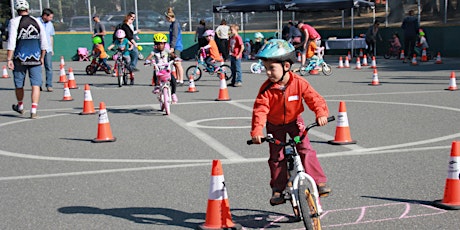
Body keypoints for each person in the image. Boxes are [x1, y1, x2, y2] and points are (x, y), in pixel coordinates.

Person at [250, 39, 331, 205]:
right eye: (266, 68)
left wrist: (321, 114)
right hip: (274, 125)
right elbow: (260, 111)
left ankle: (319, 182)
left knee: (305, 148)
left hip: (295, 123)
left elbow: (314, 99)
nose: (268, 73)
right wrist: (257, 132)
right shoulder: (266, 90)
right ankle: (278, 189)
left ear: (286, 66)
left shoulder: (299, 83)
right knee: (277, 157)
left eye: (272, 68)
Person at [7, 0, 48, 119]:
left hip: (20, 57)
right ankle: (33, 110)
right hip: (35, 57)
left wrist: (9, 59)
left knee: (19, 84)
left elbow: (11, 41)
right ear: (28, 9)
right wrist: (42, 57)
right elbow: (44, 42)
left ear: (17, 10)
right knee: (36, 84)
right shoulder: (37, 21)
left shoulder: (14, 22)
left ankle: (20, 106)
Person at [145, 33, 178, 103]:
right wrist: (147, 61)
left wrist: (176, 58)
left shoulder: (166, 50)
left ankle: (173, 94)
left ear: (164, 44)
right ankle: (157, 86)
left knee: (173, 80)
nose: (160, 46)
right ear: (155, 45)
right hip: (158, 69)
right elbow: (149, 56)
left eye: (162, 44)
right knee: (155, 73)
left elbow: (172, 55)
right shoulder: (154, 51)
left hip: (166, 69)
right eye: (158, 44)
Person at [165, 7, 184, 86]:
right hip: (173, 45)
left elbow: (174, 36)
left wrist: (172, 47)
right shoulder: (172, 25)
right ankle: (177, 79)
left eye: (167, 18)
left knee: (178, 63)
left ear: (170, 18)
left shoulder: (175, 25)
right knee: (175, 64)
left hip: (177, 46)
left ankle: (181, 80)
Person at [39, 8, 55, 92]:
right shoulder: (36, 22)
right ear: (45, 16)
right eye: (50, 17)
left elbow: (51, 36)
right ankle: (38, 85)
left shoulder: (50, 24)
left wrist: (51, 49)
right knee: (38, 67)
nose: (51, 19)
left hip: (47, 49)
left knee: (49, 67)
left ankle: (49, 85)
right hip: (38, 48)